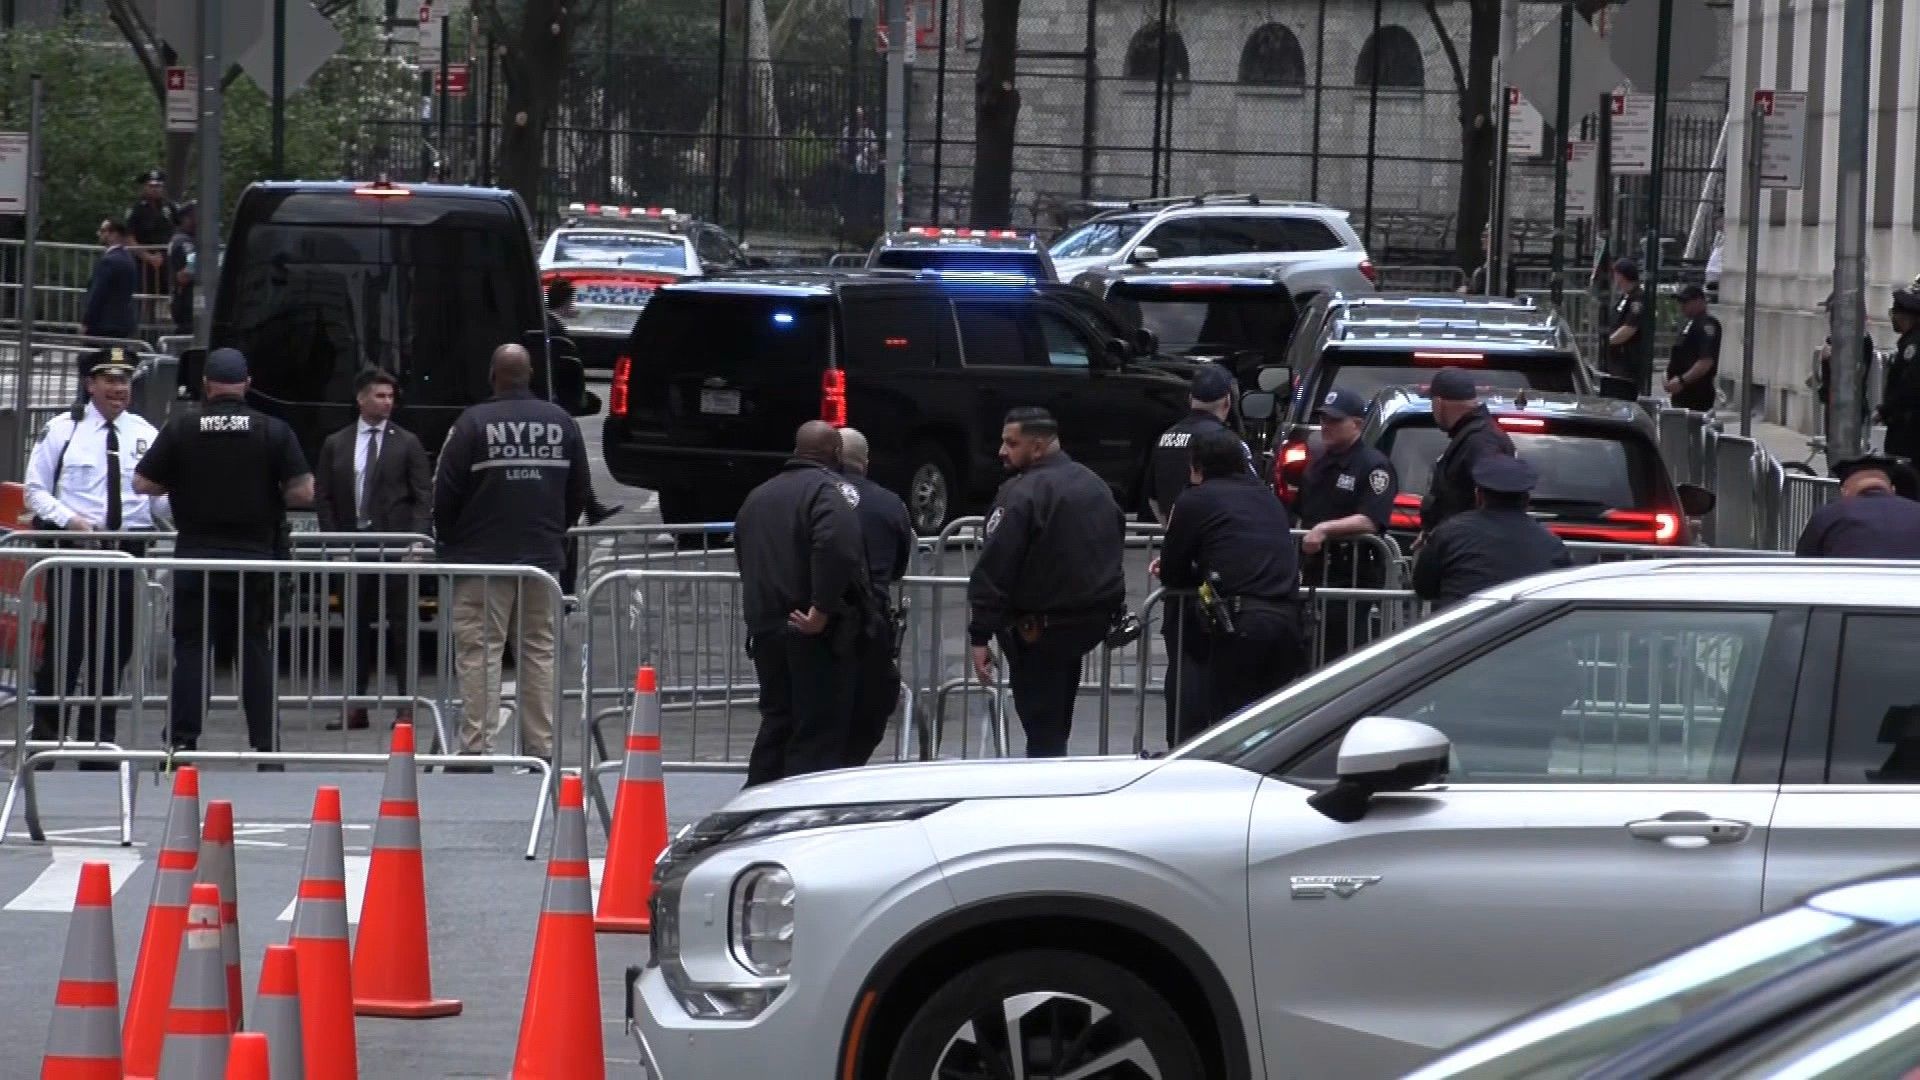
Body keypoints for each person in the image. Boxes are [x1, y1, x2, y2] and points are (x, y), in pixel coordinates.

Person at [134, 348, 313, 761]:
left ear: (206, 386)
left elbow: (144, 483)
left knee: (193, 648)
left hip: (197, 555)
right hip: (254, 557)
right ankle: (266, 745)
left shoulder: (183, 428)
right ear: (247, 383)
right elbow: (303, 491)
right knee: (255, 647)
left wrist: (180, 483)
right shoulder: (272, 430)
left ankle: (182, 741)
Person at [434, 344, 590, 766]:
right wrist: (554, 530)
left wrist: (451, 541)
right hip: (542, 558)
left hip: (483, 558)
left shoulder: (472, 424)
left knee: (480, 652)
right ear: (531, 374)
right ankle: (540, 749)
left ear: (492, 374)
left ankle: (477, 748)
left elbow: (445, 493)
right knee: (538, 651)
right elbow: (579, 491)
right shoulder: (562, 423)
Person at [24, 348, 164, 765]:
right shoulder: (63, 429)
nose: (119, 389)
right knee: (64, 650)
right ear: (91, 385)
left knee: (113, 650)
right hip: (75, 553)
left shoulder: (145, 433)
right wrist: (70, 521)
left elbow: (156, 499)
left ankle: (97, 746)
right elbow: (36, 491)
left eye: (124, 381)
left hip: (127, 552)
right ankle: (46, 744)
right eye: (110, 380)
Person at [968, 407, 1126, 758]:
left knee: (1042, 731)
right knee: (1054, 725)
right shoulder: (1094, 485)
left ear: (1037, 447)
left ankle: (1044, 793)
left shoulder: (1022, 493)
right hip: (1084, 626)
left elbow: (996, 564)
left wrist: (980, 633)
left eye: (1012, 443)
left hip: (1037, 632)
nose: (1002, 452)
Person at [733, 421, 872, 785]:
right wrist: (822, 608)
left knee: (777, 722)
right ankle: (800, 820)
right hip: (812, 635)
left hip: (766, 630)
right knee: (816, 734)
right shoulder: (827, 492)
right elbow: (838, 548)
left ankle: (756, 808)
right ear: (837, 454)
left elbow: (745, 556)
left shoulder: (758, 496)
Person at [1154, 428, 1305, 737]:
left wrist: (1194, 573)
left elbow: (1173, 569)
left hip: (1240, 625)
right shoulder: (1266, 497)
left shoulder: (1195, 499)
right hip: (1288, 622)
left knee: (1229, 728)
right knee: (1273, 727)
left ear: (1197, 465)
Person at [314, 368, 432, 731]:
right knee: (354, 627)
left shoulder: (407, 442)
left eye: (390, 396)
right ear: (361, 399)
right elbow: (325, 498)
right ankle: (356, 704)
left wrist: (416, 540)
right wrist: (335, 542)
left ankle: (405, 706)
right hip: (354, 545)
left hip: (395, 547)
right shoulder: (337, 443)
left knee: (402, 627)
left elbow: (422, 497)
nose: (387, 403)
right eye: (380, 396)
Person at [1145, 363, 1243, 736]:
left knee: (1180, 665)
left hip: (1179, 566)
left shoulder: (1165, 437)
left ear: (1190, 398)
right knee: (1215, 669)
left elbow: (1154, 500)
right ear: (1227, 402)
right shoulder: (1227, 444)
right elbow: (1244, 497)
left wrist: (1176, 532)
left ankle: (1178, 741)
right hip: (1215, 575)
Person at [1295, 387, 1398, 661]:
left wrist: (1325, 529)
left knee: (1342, 651)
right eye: (1323, 420)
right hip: (1316, 571)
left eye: (1334, 421)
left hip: (1351, 574)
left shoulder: (1373, 465)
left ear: (1357, 424)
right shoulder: (1318, 462)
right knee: (1310, 651)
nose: (1326, 426)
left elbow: (1371, 519)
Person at [838, 427, 914, 767]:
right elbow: (899, 565)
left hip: (807, 618)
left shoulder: (806, 494)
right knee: (870, 707)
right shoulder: (888, 503)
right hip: (869, 624)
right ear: (864, 462)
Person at [1413, 455, 1571, 608]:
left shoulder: (1448, 533)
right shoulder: (1552, 545)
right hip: (1528, 632)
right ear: (1527, 500)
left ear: (1479, 496)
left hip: (1462, 630)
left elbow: (1424, 587)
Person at [1418, 367, 1515, 536]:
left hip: (1470, 552)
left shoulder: (1481, 442)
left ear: (1439, 403)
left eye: (1431, 402)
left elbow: (1491, 506)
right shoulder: (1473, 437)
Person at [1794, 454, 1920, 558]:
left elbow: (1804, 564)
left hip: (1848, 586)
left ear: (1844, 491)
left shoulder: (1827, 516)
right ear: (1892, 489)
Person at [1815, 291, 1874, 436]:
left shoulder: (1860, 341)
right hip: (1833, 404)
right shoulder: (1834, 340)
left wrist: (1831, 358)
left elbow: (1855, 374)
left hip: (1848, 408)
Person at [1663, 284, 1721, 412]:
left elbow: (1705, 361)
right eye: (1680, 302)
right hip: (1682, 393)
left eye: (1686, 302)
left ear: (1699, 301)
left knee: (1692, 428)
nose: (1681, 306)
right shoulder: (1689, 324)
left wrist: (1682, 380)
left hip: (1696, 393)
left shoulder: (1707, 324)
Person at [81, 219, 140, 341]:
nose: (99, 234)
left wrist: (86, 321)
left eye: (103, 231)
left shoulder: (108, 261)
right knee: (116, 357)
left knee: (93, 358)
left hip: (103, 325)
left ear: (114, 234)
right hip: (122, 324)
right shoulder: (129, 260)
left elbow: (97, 294)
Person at [1880, 288, 1920, 462]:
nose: (1892, 319)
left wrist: (1885, 410)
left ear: (1904, 316)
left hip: (1909, 427)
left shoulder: (1913, 346)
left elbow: (1908, 385)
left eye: (1894, 313)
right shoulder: (1909, 342)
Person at [126, 170, 177, 302]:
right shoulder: (136, 208)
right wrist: (149, 257)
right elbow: (130, 237)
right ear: (145, 187)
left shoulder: (169, 207)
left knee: (168, 295)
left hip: (167, 260)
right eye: (151, 186)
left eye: (158, 186)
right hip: (143, 261)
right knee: (144, 296)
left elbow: (179, 228)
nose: (155, 189)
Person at [1604, 258, 1650, 388]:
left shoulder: (1637, 299)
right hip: (1617, 358)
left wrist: (1607, 342)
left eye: (1615, 274)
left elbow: (1629, 328)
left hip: (1628, 360)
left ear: (1621, 275)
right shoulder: (1626, 296)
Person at [166, 201, 197, 336]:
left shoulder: (194, 240)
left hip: (190, 303)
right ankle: (115, 358)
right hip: (186, 302)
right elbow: (185, 274)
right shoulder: (183, 241)